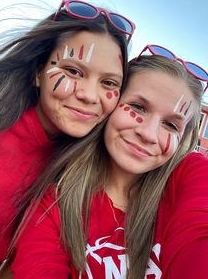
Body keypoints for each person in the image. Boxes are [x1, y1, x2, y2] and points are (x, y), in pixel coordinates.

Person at [0, 0, 136, 278]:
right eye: (73, 71)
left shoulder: (82, 166)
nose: (89, 95)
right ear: (38, 72)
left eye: (109, 83)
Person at [11, 52, 208, 278]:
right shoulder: (53, 202)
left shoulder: (191, 177)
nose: (148, 134)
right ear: (110, 104)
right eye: (137, 107)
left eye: (171, 125)